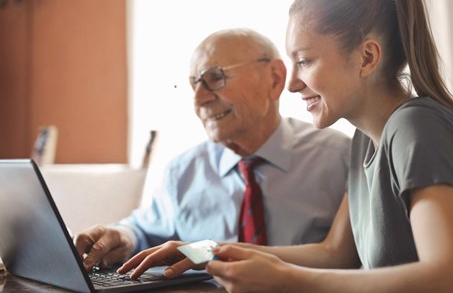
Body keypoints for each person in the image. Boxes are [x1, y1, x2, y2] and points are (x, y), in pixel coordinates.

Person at [117, 0, 453, 292]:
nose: (292, 84)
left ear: (367, 58)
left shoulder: (416, 127)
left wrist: (287, 280)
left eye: (305, 60)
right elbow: (336, 253)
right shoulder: (366, 139)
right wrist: (204, 251)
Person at [74, 28, 350, 272]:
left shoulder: (340, 157)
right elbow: (145, 231)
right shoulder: (183, 170)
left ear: (275, 79)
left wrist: (205, 252)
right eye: (194, 84)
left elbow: (347, 258)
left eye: (214, 78)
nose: (199, 99)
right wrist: (122, 237)